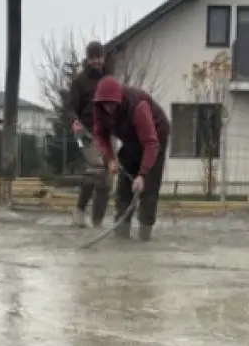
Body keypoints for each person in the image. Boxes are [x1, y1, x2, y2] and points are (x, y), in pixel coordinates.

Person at [91, 76, 170, 241]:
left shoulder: (138, 107)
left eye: (112, 104)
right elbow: (100, 135)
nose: (109, 108)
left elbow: (150, 142)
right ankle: (121, 232)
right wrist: (110, 159)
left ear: (119, 101)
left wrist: (142, 174)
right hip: (131, 139)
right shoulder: (99, 111)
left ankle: (144, 234)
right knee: (124, 184)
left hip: (155, 135)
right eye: (105, 104)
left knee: (149, 186)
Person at [64, 41, 110, 228]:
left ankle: (97, 221)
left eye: (99, 57)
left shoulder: (109, 79)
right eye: (93, 58)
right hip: (84, 133)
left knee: (105, 178)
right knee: (96, 169)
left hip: (105, 132)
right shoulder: (80, 82)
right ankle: (80, 211)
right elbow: (69, 108)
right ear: (88, 59)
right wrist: (74, 121)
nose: (97, 62)